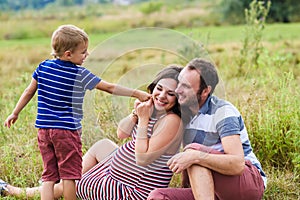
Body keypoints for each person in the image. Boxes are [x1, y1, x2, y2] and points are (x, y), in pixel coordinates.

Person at [3, 24, 150, 200]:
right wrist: (137, 93)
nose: (87, 55)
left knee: (49, 176)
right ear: (68, 54)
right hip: (66, 132)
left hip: (44, 131)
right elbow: (109, 87)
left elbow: (28, 91)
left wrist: (15, 112)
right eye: (83, 52)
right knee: (69, 176)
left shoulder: (43, 67)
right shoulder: (80, 73)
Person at [1, 65, 184, 199]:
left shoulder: (172, 121)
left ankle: (17, 191)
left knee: (72, 184)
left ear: (178, 98)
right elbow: (122, 133)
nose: (161, 96)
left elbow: (142, 158)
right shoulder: (150, 109)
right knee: (103, 145)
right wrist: (136, 114)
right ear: (153, 87)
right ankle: (57, 185)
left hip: (131, 191)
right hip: (121, 174)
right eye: (159, 89)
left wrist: (143, 121)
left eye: (170, 94)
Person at [148, 58, 267, 200]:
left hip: (246, 182)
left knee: (193, 152)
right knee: (158, 196)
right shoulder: (183, 111)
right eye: (179, 82)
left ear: (205, 91)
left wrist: (195, 156)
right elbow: (156, 99)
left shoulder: (222, 112)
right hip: (208, 188)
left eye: (186, 86)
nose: (178, 90)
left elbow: (237, 164)